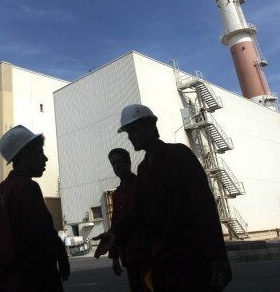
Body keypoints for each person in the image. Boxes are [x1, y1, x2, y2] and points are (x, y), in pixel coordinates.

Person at [94, 104, 232, 291]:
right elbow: (139, 211)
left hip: (190, 257)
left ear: (150, 126)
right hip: (163, 259)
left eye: (133, 130)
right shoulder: (144, 169)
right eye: (128, 132)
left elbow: (204, 207)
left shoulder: (179, 155)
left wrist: (217, 256)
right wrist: (115, 234)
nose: (130, 136)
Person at [0, 125, 70, 292]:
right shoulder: (27, 188)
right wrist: (61, 255)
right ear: (25, 155)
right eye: (40, 152)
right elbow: (42, 234)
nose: (45, 159)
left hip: (3, 282)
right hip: (31, 281)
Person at [106, 148, 149, 291]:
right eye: (113, 164)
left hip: (147, 252)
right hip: (129, 256)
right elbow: (115, 223)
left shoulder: (141, 184)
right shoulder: (116, 194)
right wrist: (114, 257)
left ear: (129, 162)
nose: (116, 166)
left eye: (119, 162)